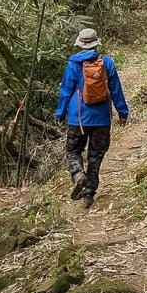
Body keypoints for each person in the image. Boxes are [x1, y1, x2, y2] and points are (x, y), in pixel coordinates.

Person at [54, 28, 128, 210]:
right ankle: (89, 194)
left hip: (77, 118)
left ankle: (78, 173)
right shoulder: (107, 63)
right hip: (101, 119)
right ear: (96, 43)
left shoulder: (73, 64)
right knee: (95, 157)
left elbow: (66, 91)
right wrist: (122, 112)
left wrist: (60, 114)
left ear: (79, 43)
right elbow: (116, 89)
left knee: (73, 151)